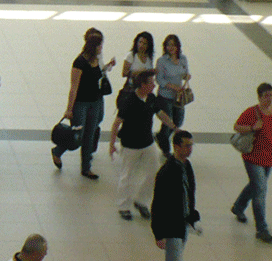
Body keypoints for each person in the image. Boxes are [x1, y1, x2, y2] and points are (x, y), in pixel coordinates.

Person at [130, 130, 199, 261]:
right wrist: (158, 233)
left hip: (183, 224)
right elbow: (158, 205)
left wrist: (192, 214)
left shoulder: (187, 166)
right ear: (176, 146)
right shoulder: (167, 172)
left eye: (191, 145)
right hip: (171, 227)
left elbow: (189, 193)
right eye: (186, 145)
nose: (190, 149)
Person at [108, 69, 178, 221]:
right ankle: (123, 206)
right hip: (130, 145)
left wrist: (173, 127)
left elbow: (160, 114)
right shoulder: (129, 101)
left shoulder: (151, 98)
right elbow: (117, 123)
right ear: (142, 85)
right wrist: (112, 144)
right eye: (151, 83)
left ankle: (141, 201)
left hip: (148, 142)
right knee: (127, 175)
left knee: (155, 171)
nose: (154, 85)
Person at [231, 82, 272, 243]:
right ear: (259, 97)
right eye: (266, 96)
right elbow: (237, 127)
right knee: (260, 190)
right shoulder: (252, 112)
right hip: (253, 158)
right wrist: (252, 128)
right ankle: (262, 229)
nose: (269, 98)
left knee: (255, 185)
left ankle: (239, 206)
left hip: (271, 158)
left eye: (271, 95)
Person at [55, 28, 116, 179]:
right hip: (81, 104)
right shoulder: (79, 62)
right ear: (93, 46)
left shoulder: (96, 60)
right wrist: (69, 109)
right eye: (100, 46)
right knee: (78, 135)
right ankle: (58, 151)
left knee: (89, 135)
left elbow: (99, 76)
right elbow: (73, 88)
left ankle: (86, 168)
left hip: (95, 102)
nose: (101, 48)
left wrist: (108, 66)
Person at [154, 34, 190, 155]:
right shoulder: (162, 61)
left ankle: (161, 137)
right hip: (165, 96)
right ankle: (165, 148)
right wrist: (173, 86)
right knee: (168, 123)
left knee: (178, 121)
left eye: (173, 45)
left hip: (178, 97)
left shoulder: (183, 59)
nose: (171, 47)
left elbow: (185, 72)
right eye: (168, 45)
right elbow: (159, 80)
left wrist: (187, 76)